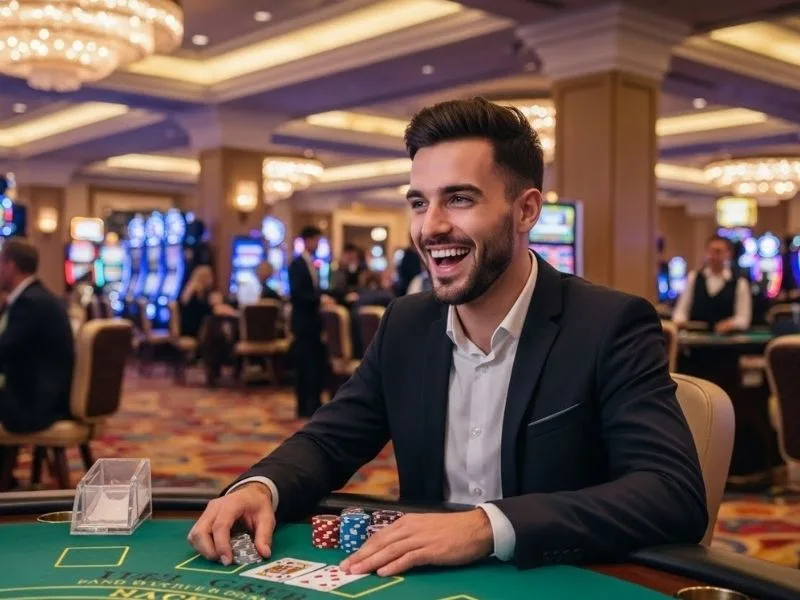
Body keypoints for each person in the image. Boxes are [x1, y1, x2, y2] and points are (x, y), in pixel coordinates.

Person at [188, 98, 707, 574]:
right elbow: (329, 439)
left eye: (458, 199)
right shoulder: (406, 325)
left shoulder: (607, 324)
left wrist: (487, 526)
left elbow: (671, 493)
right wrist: (262, 485)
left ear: (526, 210)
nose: (430, 227)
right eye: (419, 203)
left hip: (552, 578)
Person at [0, 239, 75, 434]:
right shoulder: (36, 296)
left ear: (10, 265)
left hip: (35, 404)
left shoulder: (30, 303)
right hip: (42, 394)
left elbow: (4, 351)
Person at [672, 235, 752, 333]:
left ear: (728, 254)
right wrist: (680, 321)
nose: (713, 256)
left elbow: (743, 319)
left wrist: (730, 324)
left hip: (728, 342)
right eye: (710, 251)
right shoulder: (694, 277)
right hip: (696, 340)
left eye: (718, 252)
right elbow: (681, 311)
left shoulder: (740, 282)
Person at [288, 226, 328, 418]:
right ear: (307, 240)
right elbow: (297, 294)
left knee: (314, 364)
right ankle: (302, 406)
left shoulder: (313, 263)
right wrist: (319, 300)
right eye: (316, 240)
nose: (318, 244)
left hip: (313, 323)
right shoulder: (297, 264)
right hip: (303, 323)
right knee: (303, 365)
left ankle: (313, 405)